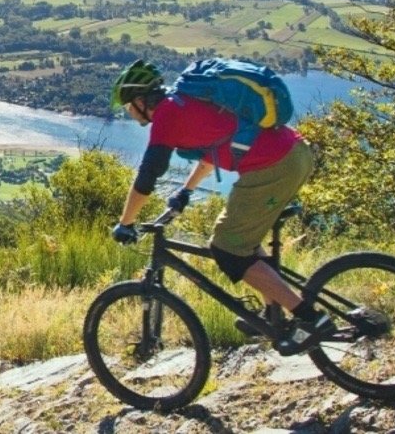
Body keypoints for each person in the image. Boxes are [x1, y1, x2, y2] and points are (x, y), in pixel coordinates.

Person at [108, 59, 331, 356]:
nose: (128, 113)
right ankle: (271, 312)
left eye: (128, 106)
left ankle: (310, 318)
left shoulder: (167, 116)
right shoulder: (186, 102)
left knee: (226, 248)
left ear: (139, 100)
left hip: (274, 167)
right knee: (244, 242)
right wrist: (185, 192)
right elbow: (213, 151)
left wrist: (125, 223)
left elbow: (147, 176)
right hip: (294, 153)